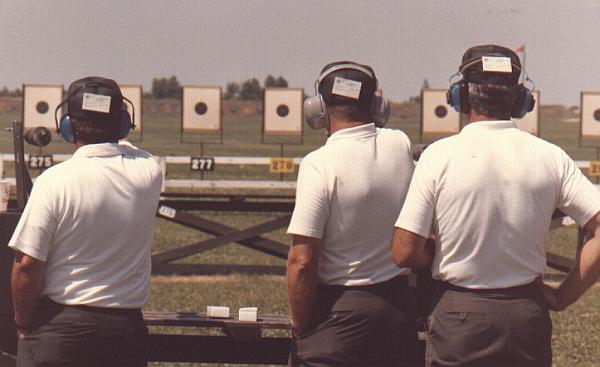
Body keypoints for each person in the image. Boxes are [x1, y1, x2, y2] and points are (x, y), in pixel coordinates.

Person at [392, 44, 600, 367]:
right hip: (525, 314)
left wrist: (436, 250)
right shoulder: (551, 156)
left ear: (460, 95)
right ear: (520, 100)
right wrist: (562, 296)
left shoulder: (437, 156)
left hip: (459, 315)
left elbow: (404, 250)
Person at [9, 76, 163, 367]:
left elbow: (27, 266)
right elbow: (126, 147)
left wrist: (22, 321)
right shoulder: (149, 171)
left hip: (59, 331)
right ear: (122, 123)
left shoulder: (54, 181)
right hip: (125, 333)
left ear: (67, 125)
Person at [287, 61, 418, 366]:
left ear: (318, 109)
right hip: (397, 309)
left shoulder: (318, 163)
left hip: (337, 311)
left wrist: (300, 327)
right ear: (377, 105)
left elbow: (302, 261)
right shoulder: (399, 144)